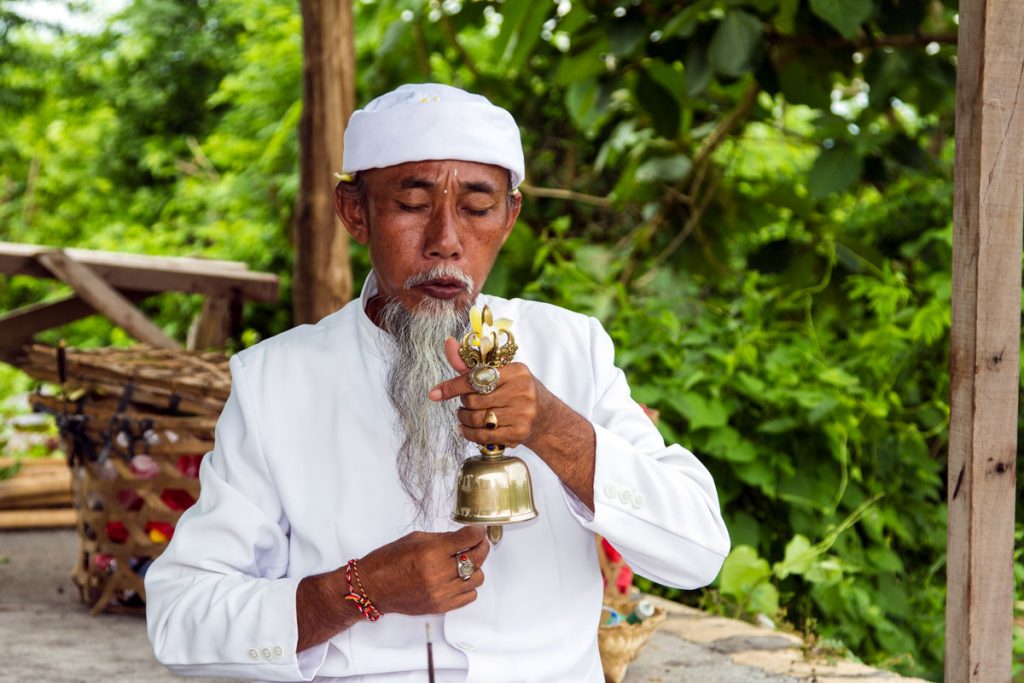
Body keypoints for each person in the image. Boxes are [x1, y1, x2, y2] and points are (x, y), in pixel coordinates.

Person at [145, 83, 730, 682]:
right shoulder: (276, 380)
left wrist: (557, 431)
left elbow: (698, 551)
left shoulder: (570, 349)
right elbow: (180, 619)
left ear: (508, 218)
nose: (446, 241)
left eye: (476, 208)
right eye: (413, 204)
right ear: (356, 213)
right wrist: (355, 591)